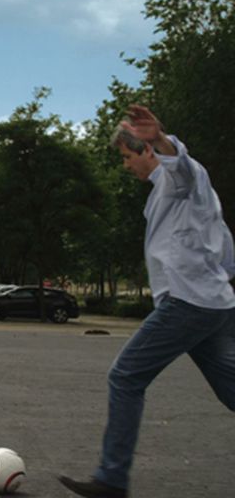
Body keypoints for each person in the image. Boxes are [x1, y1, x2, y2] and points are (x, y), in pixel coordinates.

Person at [58, 105, 235, 498]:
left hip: (188, 304)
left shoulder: (182, 180)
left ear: (147, 153)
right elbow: (227, 254)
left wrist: (160, 139)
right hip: (213, 306)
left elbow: (183, 167)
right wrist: (215, 284)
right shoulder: (173, 195)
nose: (124, 165)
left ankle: (111, 479)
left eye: (126, 156)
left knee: (126, 376)